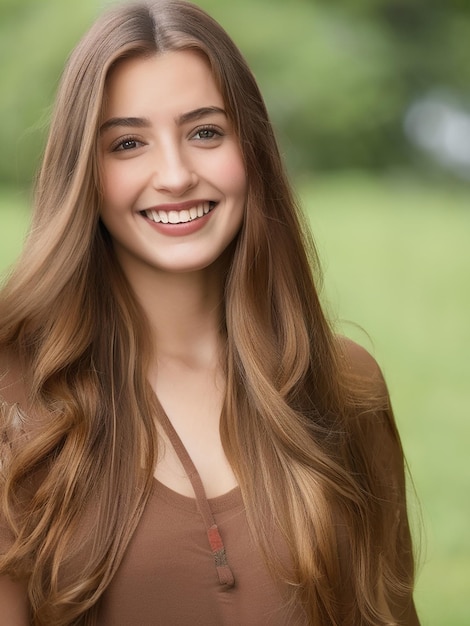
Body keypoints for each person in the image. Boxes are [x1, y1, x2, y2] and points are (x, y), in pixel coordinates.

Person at [0, 1, 420, 624]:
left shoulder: (346, 384)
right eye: (128, 143)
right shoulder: (13, 393)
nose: (174, 175)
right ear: (83, 172)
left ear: (252, 150)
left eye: (204, 132)